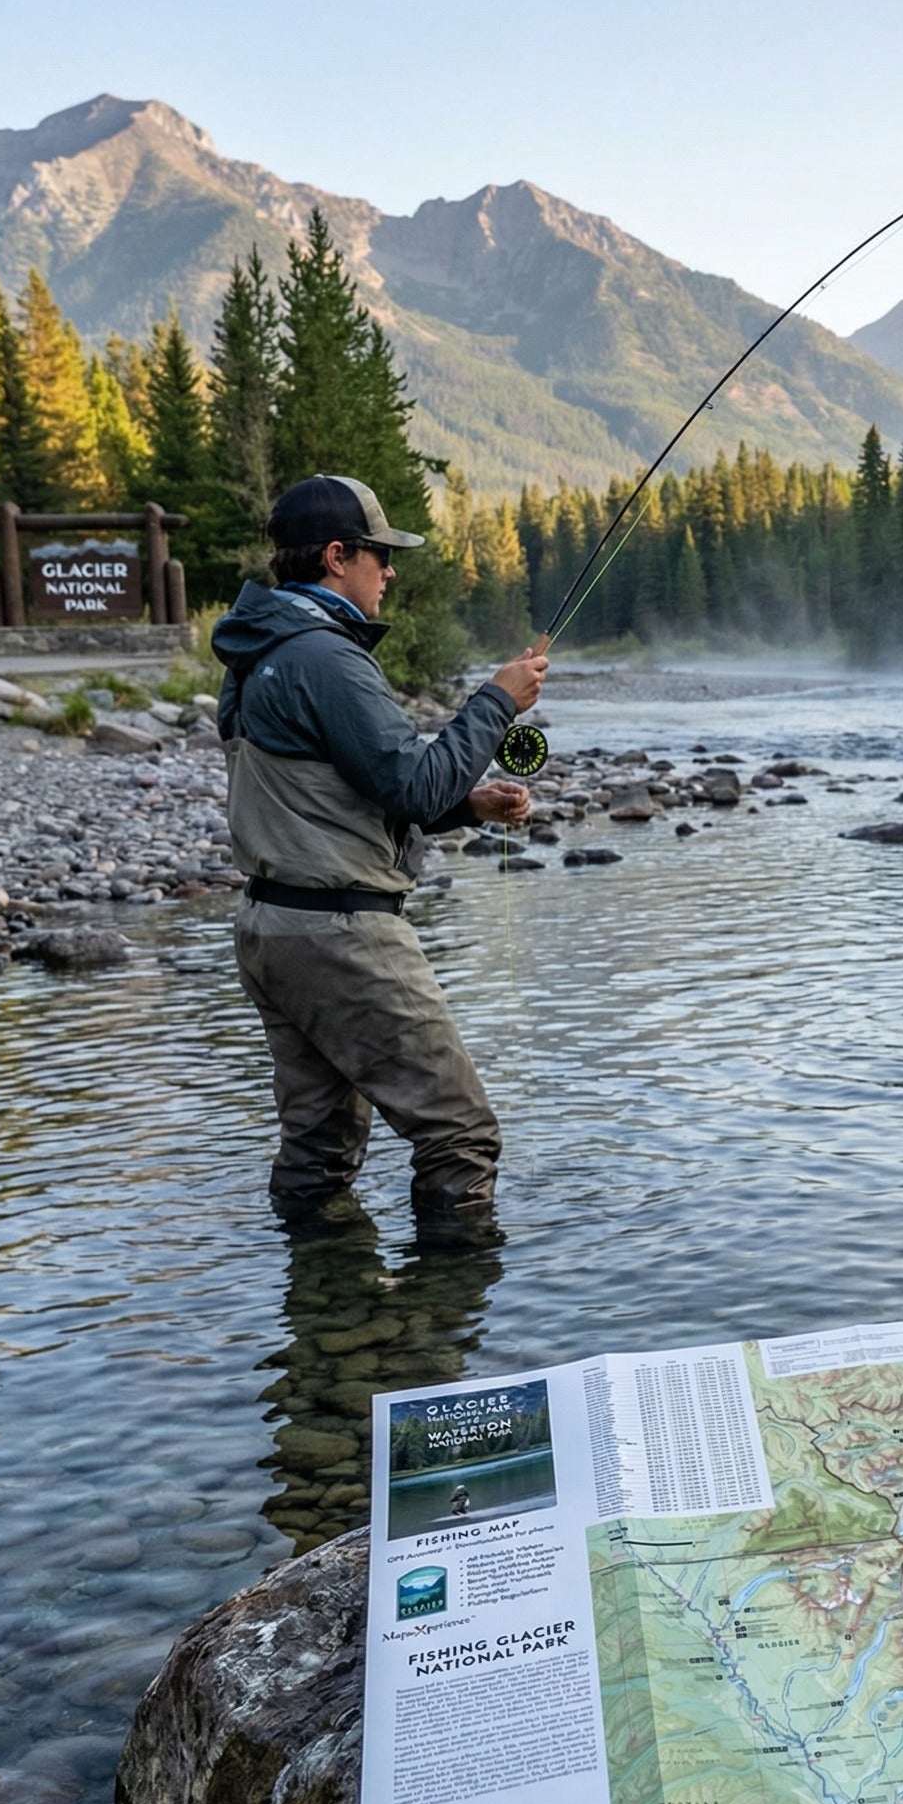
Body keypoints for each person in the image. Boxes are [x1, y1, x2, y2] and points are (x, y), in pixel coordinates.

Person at [212, 473, 548, 1243]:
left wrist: (468, 806)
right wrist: (496, 701)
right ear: (338, 557)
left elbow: (338, 795)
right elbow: (409, 780)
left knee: (319, 1147)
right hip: (342, 937)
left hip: (272, 929)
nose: (389, 570)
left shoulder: (256, 650)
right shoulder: (325, 659)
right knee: (459, 1138)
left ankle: (328, 1333)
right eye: (379, 555)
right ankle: (442, 1328)